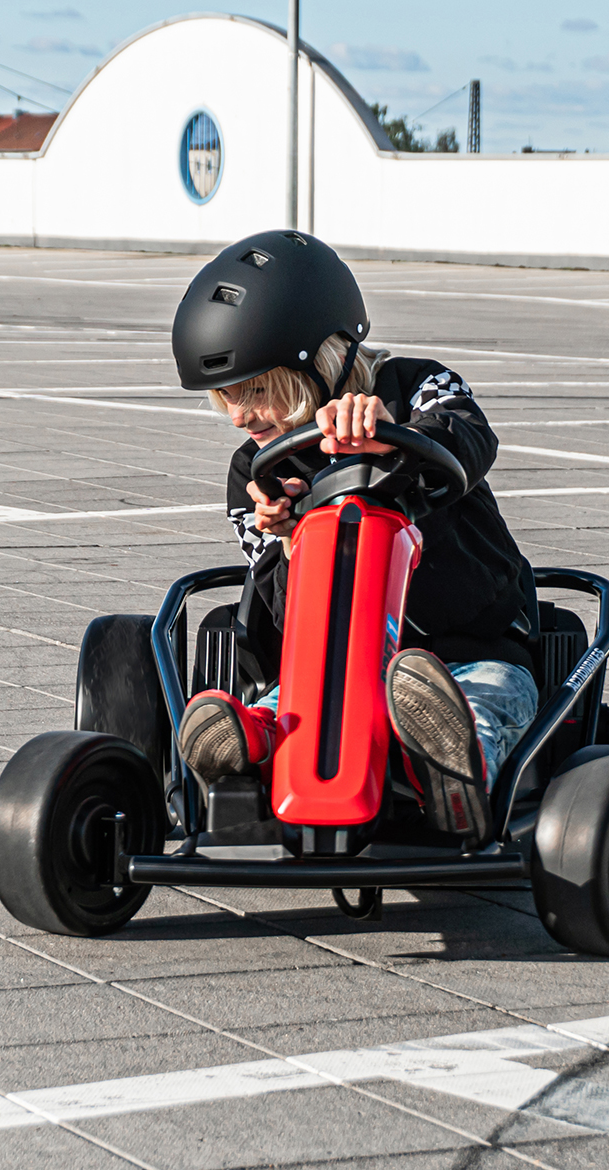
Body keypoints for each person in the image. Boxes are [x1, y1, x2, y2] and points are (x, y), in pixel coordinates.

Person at [169, 230, 538, 845]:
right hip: (333, 667)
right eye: (226, 396)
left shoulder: (421, 387)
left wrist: (396, 432)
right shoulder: (256, 470)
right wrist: (285, 542)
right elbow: (280, 623)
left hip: (471, 647)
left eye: (256, 390)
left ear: (325, 356)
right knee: (282, 703)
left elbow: (471, 437)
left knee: (490, 698)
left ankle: (453, 772)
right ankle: (250, 740)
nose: (238, 414)